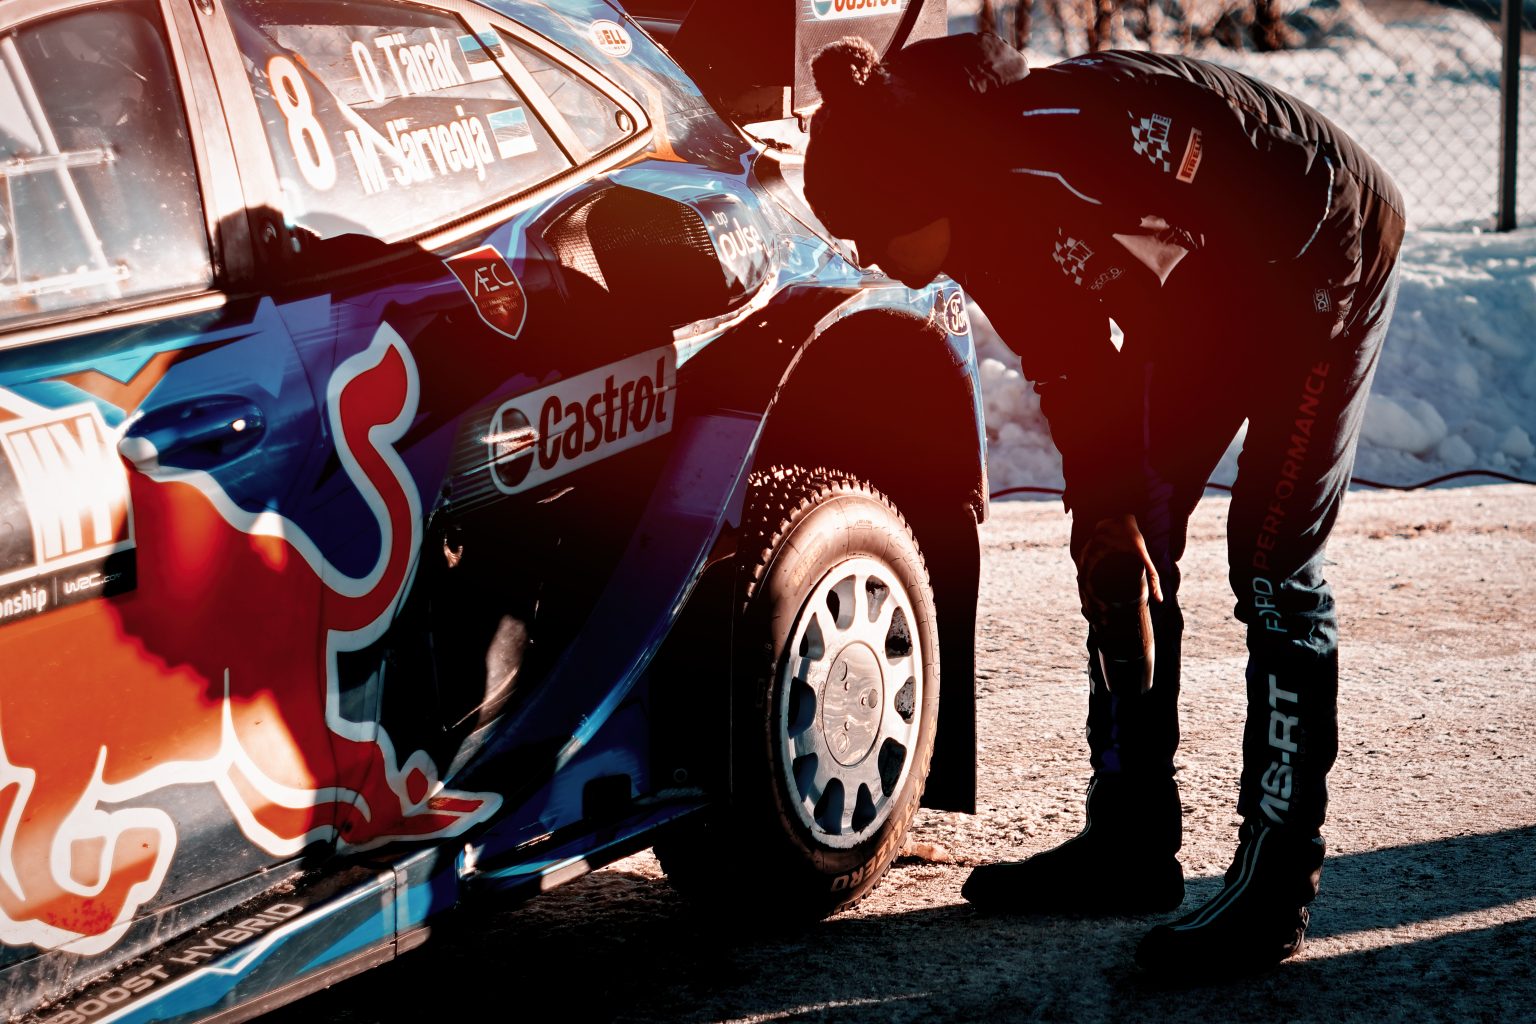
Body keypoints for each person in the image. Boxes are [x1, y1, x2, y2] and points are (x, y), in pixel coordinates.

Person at [802, 32, 1405, 981]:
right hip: (1207, 300)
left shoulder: (1083, 132)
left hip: (1320, 249)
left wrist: (1217, 360)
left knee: (1271, 560)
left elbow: (1239, 200)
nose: (868, 255)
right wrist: (1107, 510)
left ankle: (1278, 882)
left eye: (872, 231)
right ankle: (1129, 841)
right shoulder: (976, 224)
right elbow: (1074, 366)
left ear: (917, 188)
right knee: (1124, 540)